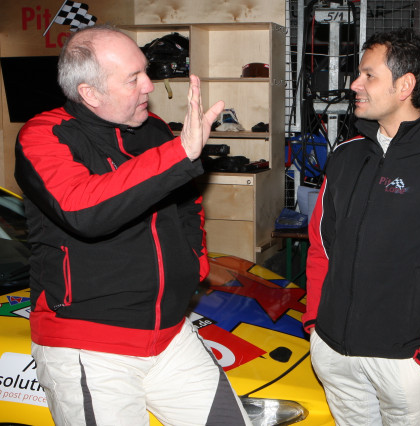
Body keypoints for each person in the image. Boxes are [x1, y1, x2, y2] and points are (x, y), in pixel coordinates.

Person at [14, 25, 251, 425]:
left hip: (170, 334)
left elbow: (188, 203)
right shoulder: (44, 136)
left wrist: (194, 263)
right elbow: (84, 210)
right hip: (89, 345)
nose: (149, 86)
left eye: (146, 71)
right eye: (133, 78)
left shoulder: (154, 129)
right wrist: (179, 153)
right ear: (90, 93)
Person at [301, 28, 420, 425]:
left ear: (404, 85)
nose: (354, 84)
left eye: (368, 75)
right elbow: (321, 245)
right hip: (333, 350)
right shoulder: (346, 154)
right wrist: (315, 322)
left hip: (404, 358)